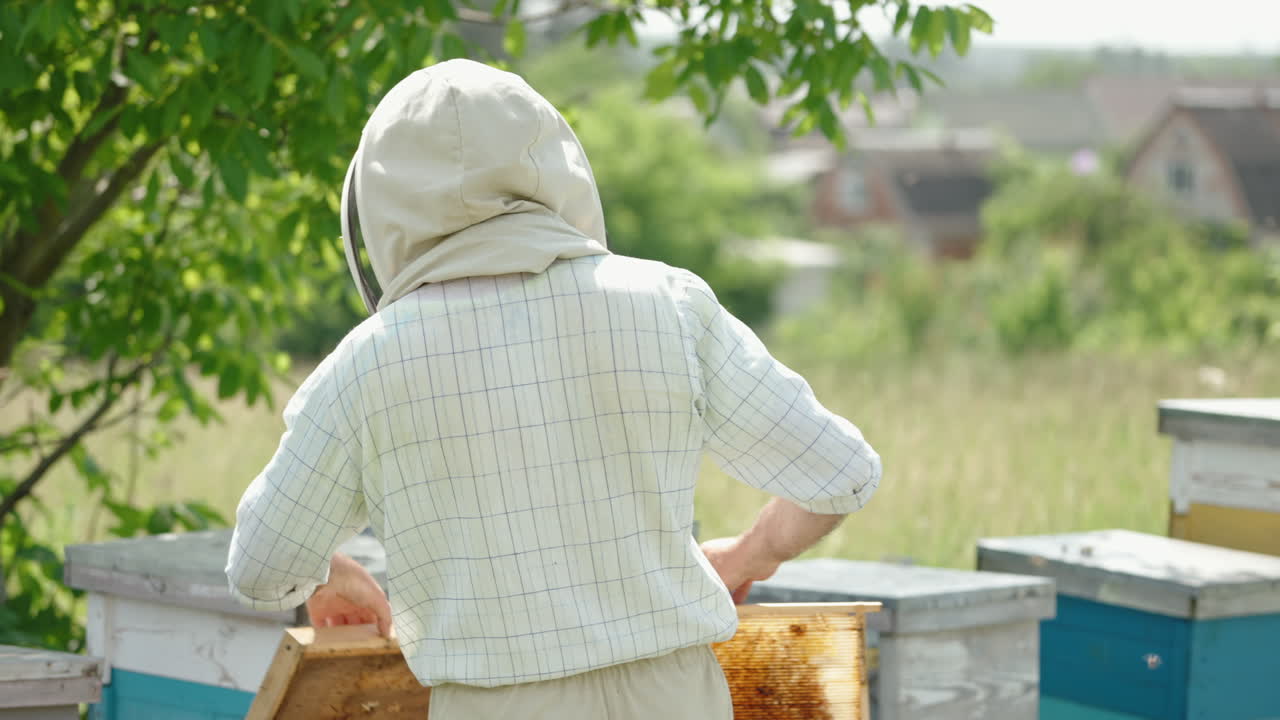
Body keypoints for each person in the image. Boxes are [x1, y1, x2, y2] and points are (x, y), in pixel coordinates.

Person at [225, 59, 882, 720]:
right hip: (674, 695)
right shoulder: (668, 303)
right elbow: (841, 473)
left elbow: (260, 566)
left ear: (384, 204)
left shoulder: (366, 363)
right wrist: (747, 555)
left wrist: (330, 572)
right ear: (552, 163)